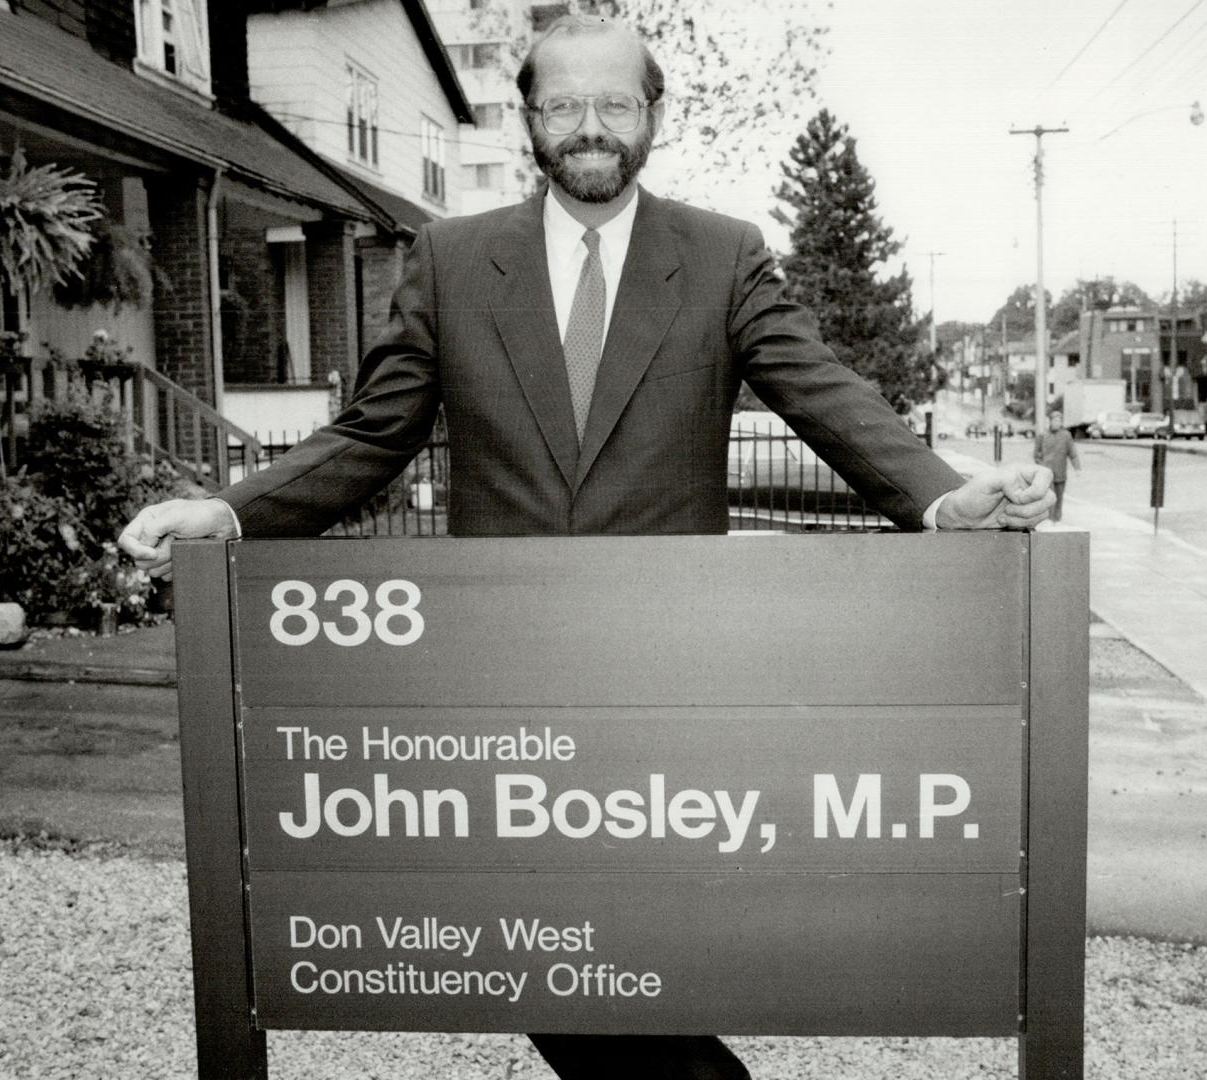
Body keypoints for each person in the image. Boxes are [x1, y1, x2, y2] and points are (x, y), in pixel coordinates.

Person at [120, 15, 1054, 1078]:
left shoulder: (722, 255)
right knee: (549, 959)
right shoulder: (451, 258)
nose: (588, 126)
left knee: (638, 950)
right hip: (501, 699)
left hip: (667, 689)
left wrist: (939, 499)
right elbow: (372, 433)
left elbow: (822, 394)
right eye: (562, 104)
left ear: (651, 113)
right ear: (527, 120)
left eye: (613, 102)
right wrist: (232, 511)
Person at [1034, 409, 1080, 522]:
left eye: (1059, 421)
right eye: (1054, 421)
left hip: (1061, 472)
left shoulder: (1066, 436)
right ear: (1050, 421)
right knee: (1050, 497)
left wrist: (1077, 468)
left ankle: (1057, 520)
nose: (1057, 423)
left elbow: (1072, 453)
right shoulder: (1043, 435)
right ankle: (1050, 520)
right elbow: (1036, 454)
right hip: (1047, 474)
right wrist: (1042, 464)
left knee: (1059, 498)